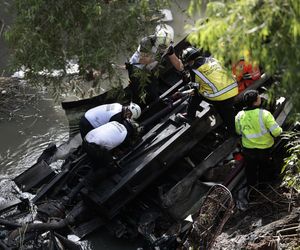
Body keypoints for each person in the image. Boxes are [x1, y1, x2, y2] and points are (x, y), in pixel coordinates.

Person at [167, 46, 238, 134]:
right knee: (227, 112)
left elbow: (194, 87)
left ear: (189, 61)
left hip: (220, 96)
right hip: (233, 89)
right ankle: (232, 129)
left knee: (195, 94)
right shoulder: (213, 60)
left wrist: (185, 90)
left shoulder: (194, 69)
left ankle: (190, 115)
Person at [235, 90, 282, 187]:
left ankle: (251, 190)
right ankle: (263, 189)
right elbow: (276, 132)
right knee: (264, 169)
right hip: (264, 148)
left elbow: (238, 132)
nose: (260, 98)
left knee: (250, 171)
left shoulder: (239, 116)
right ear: (256, 101)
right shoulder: (265, 114)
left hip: (248, 149)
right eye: (259, 97)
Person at [126, 30, 173, 106]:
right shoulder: (146, 42)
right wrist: (158, 55)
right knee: (137, 92)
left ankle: (155, 104)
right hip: (136, 68)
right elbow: (143, 60)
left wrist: (182, 70)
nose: (163, 48)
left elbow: (175, 60)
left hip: (148, 69)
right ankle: (135, 108)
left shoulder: (168, 45)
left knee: (153, 91)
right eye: (161, 46)